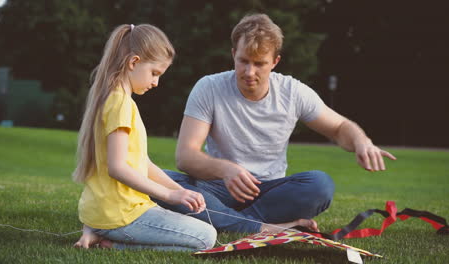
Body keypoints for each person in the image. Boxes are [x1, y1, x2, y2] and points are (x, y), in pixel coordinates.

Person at [154, 14, 397, 233]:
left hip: (269, 191)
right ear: (233, 55)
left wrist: (361, 141)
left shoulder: (293, 91)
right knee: (152, 178)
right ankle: (267, 227)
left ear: (275, 62)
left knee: (320, 185)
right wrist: (226, 170)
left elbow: (339, 127)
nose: (249, 72)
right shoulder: (209, 87)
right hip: (218, 188)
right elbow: (185, 156)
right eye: (243, 61)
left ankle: (228, 223)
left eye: (259, 63)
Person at [72, 24, 216, 251]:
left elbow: (142, 163)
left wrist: (179, 191)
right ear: (133, 62)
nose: (156, 82)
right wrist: (169, 195)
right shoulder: (120, 104)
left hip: (107, 212)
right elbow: (117, 168)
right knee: (206, 237)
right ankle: (111, 244)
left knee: (200, 232)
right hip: (121, 214)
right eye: (155, 73)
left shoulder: (115, 100)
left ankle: (97, 232)